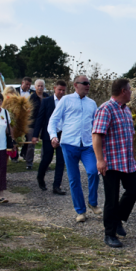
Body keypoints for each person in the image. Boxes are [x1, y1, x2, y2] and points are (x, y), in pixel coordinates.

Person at [92, 78, 136, 248]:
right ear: (123, 91)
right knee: (111, 199)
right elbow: (97, 135)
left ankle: (118, 218)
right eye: (130, 89)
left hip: (127, 161)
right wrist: (100, 160)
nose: (132, 93)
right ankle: (110, 234)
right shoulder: (106, 109)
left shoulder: (126, 110)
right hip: (111, 162)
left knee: (135, 189)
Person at [48, 75, 101, 223]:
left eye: (89, 83)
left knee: (93, 172)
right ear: (76, 85)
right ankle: (80, 211)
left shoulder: (92, 103)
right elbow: (53, 120)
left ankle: (92, 202)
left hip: (87, 145)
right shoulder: (66, 100)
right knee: (74, 179)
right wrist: (53, 136)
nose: (88, 85)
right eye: (85, 83)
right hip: (69, 144)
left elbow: (97, 124)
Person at [33, 80, 67, 195]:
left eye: (63, 90)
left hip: (63, 134)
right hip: (49, 135)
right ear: (54, 88)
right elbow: (40, 118)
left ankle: (56, 185)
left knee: (61, 161)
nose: (61, 92)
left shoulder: (67, 102)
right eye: (59, 90)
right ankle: (40, 177)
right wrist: (35, 135)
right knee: (47, 158)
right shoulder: (47, 101)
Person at [23, 79, 47, 169]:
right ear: (35, 87)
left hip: (44, 123)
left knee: (45, 143)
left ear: (44, 87)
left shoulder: (46, 96)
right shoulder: (31, 97)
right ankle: (29, 163)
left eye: (42, 86)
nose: (40, 88)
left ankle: (44, 162)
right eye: (38, 86)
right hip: (33, 123)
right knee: (31, 143)